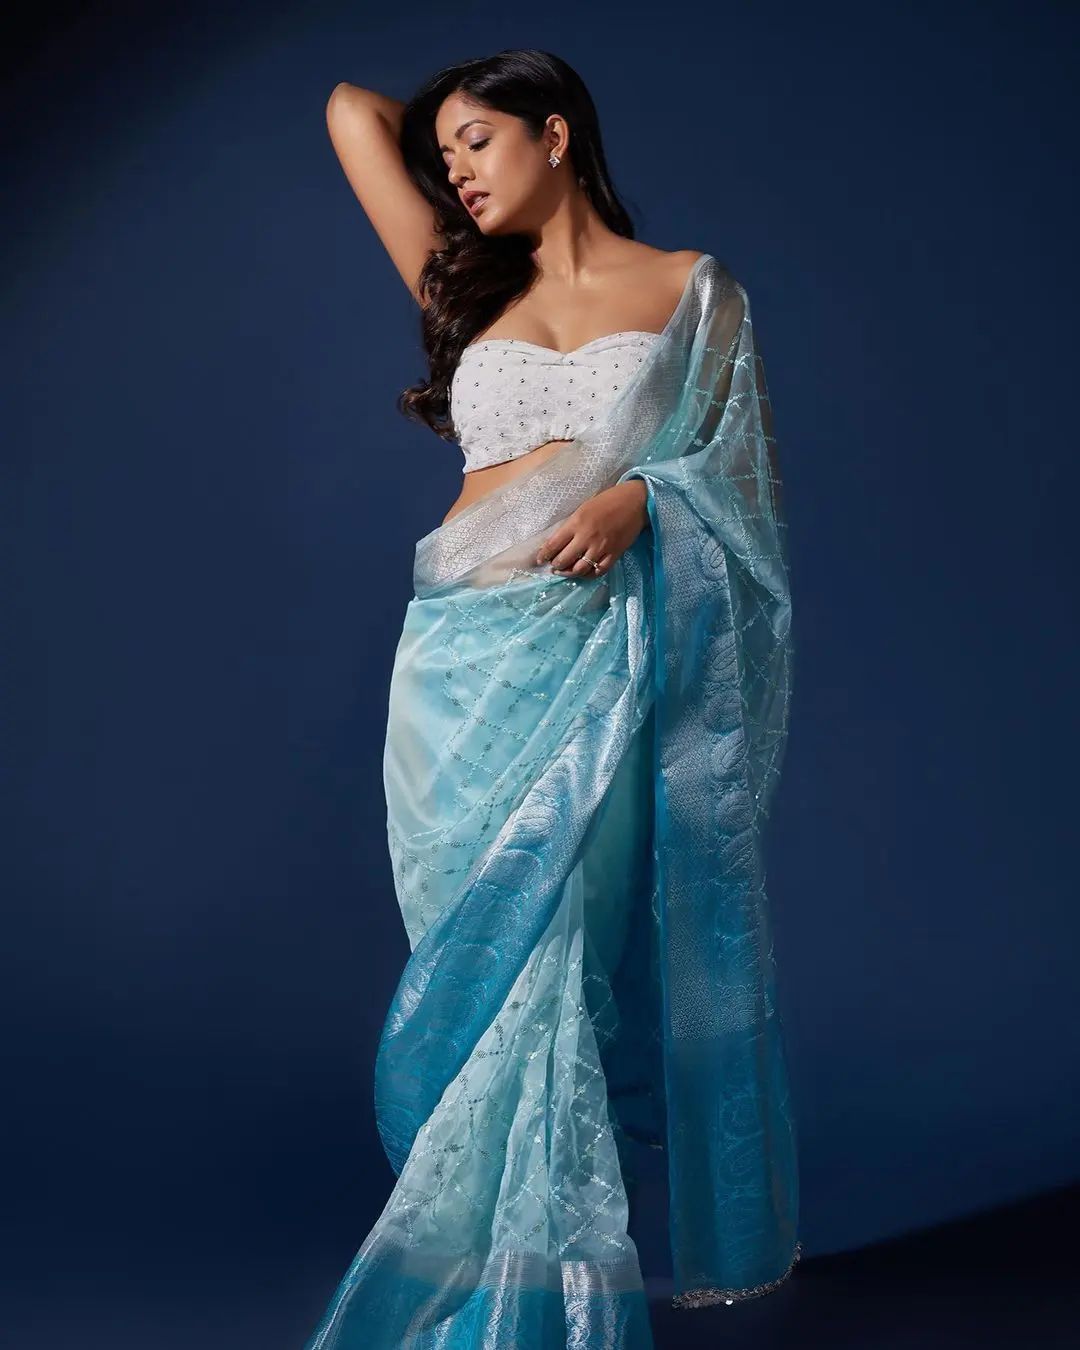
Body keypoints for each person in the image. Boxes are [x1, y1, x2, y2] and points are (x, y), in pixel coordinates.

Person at [306, 47, 800, 1350]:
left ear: (558, 133)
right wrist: (454, 127)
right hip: (456, 675)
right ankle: (507, 1268)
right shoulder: (461, 278)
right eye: (446, 157)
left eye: (480, 143)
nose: (457, 173)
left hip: (596, 674)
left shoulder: (693, 293)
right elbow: (351, 113)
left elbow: (743, 498)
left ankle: (547, 1288)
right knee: (484, 970)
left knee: (556, 967)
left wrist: (646, 496)